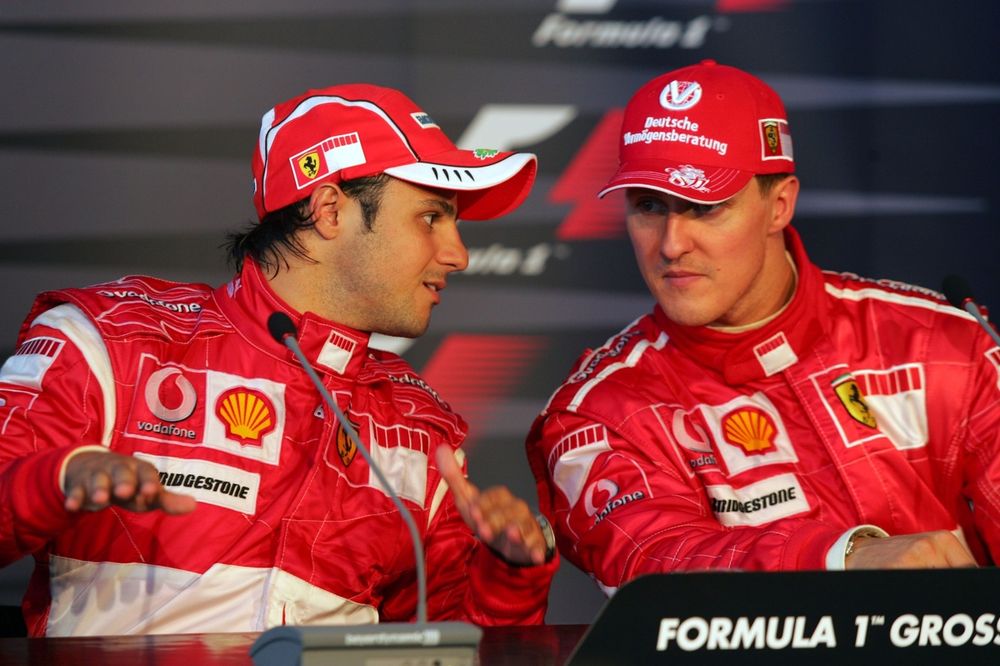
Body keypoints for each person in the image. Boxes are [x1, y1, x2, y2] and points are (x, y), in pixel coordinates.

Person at [0, 83, 557, 636]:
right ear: (331, 211)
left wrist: (509, 575)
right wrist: (56, 479)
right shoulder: (112, 340)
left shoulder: (415, 423)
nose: (457, 254)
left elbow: (443, 638)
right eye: (431, 217)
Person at [526, 60, 999, 595]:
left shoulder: (942, 344)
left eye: (704, 208)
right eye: (649, 206)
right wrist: (844, 557)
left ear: (779, 205)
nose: (671, 244)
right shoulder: (600, 410)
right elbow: (656, 564)